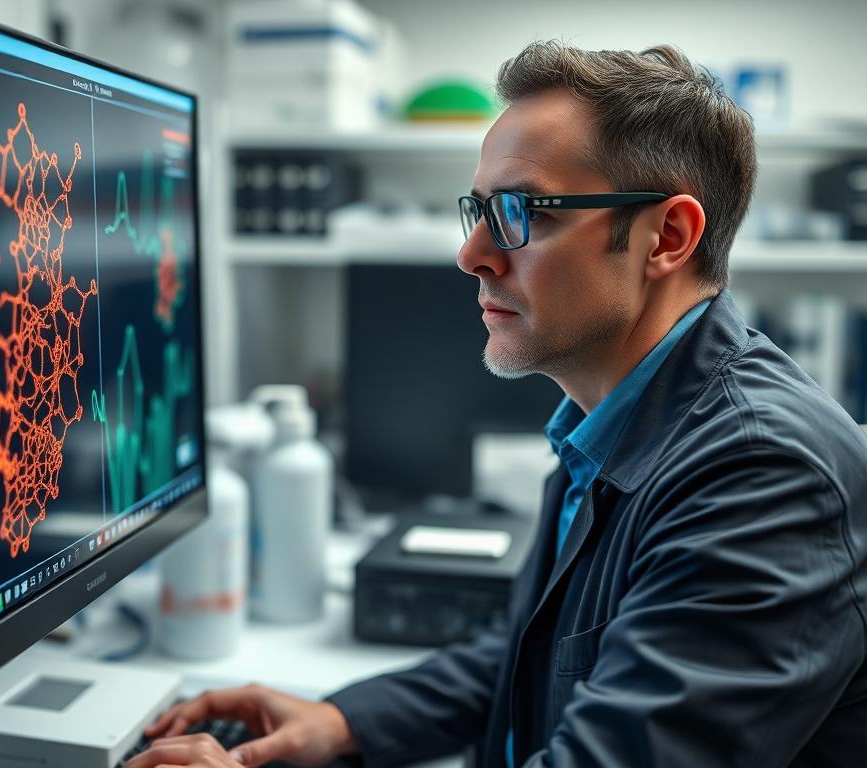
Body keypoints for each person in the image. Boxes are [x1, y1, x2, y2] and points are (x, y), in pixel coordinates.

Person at [126, 42, 867, 768]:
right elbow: (533, 653)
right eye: (478, 211)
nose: (471, 253)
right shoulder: (601, 425)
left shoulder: (760, 473)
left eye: (520, 211)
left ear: (666, 237)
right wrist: (342, 720)